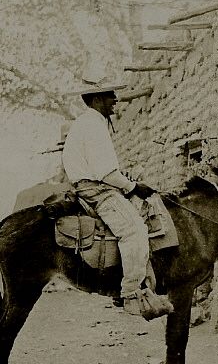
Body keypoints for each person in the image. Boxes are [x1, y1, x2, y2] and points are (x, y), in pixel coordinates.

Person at [61, 74, 162, 318]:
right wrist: (134, 186)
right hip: (97, 189)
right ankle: (129, 294)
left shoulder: (88, 123)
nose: (115, 99)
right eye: (109, 95)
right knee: (135, 230)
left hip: (90, 185)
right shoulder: (94, 125)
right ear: (96, 99)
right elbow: (106, 172)